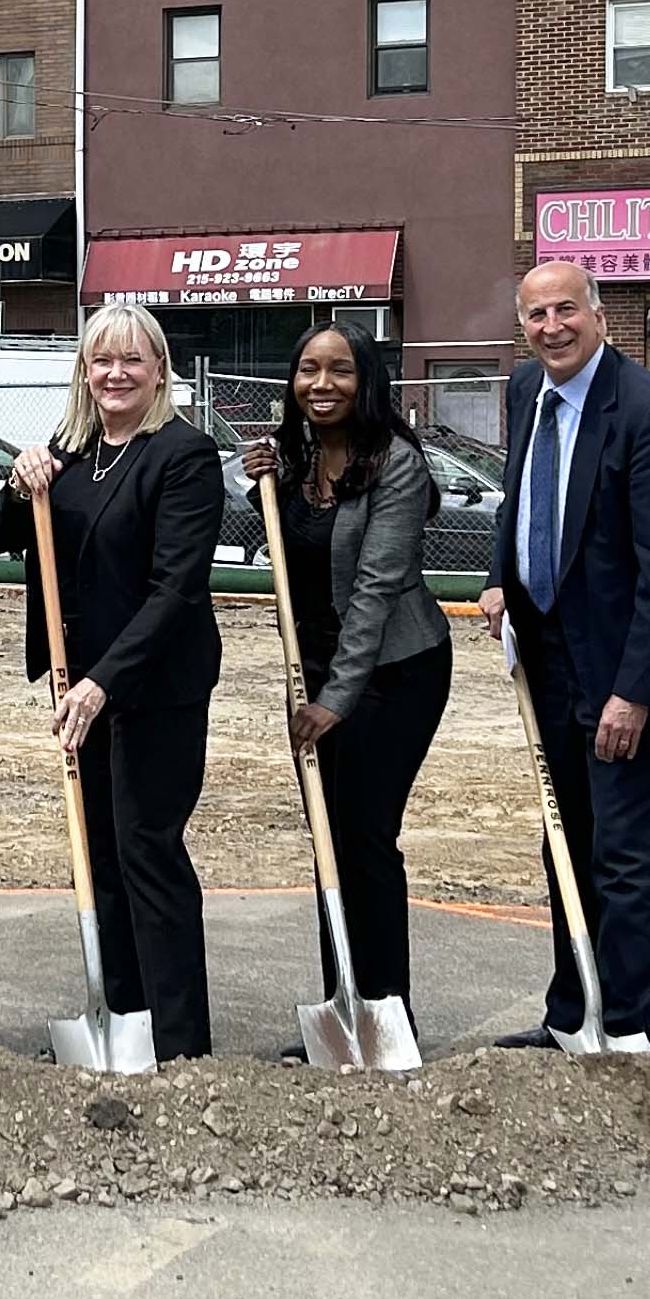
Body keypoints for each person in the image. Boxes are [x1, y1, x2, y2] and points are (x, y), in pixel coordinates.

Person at [478, 262, 650, 1055]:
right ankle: (569, 1014)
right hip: (548, 664)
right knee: (564, 843)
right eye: (536, 313)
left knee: (624, 858)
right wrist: (499, 581)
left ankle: (628, 1027)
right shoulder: (525, 393)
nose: (552, 327)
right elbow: (522, 501)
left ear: (599, 315)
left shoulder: (648, 413)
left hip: (625, 679)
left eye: (566, 309)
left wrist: (635, 692)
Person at [0, 301, 227, 1057]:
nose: (115, 373)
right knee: (98, 854)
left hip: (153, 688)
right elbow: (1, 534)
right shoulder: (71, 451)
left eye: (131, 360)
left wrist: (104, 683)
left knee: (146, 849)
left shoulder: (183, 454)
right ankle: (125, 1017)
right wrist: (19, 483)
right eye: (101, 360)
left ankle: (180, 1039)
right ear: (83, 373)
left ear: (159, 370)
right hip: (78, 686)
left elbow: (176, 588)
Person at [241, 323, 451, 1030]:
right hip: (317, 671)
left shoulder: (396, 463)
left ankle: (389, 1014)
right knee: (327, 840)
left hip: (394, 669)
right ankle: (343, 1006)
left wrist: (337, 699)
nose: (321, 383)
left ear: (368, 381)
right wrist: (260, 487)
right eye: (307, 369)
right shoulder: (296, 460)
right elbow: (295, 547)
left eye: (339, 370)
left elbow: (375, 586)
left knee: (364, 835)